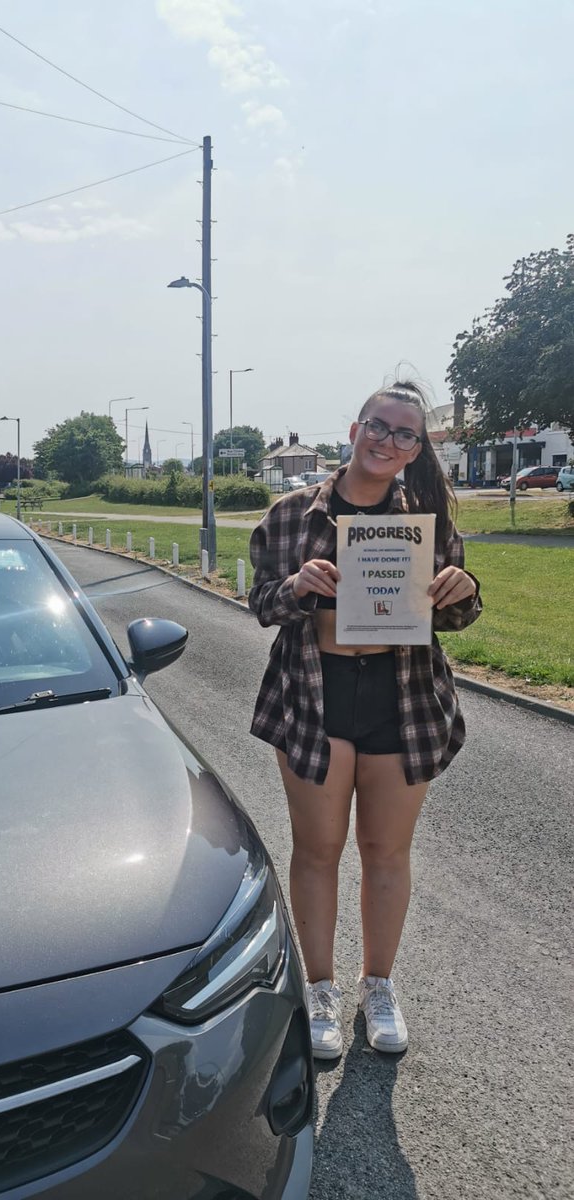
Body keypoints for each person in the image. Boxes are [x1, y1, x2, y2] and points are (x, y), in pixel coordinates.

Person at [248, 381, 482, 1058]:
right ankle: (319, 989)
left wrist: (464, 592)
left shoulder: (425, 522)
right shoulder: (293, 515)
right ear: (355, 431)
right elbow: (261, 602)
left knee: (386, 851)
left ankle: (376, 984)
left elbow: (454, 614)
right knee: (318, 850)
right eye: (379, 427)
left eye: (405, 434)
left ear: (415, 451)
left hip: (400, 696)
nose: (388, 441)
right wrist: (296, 587)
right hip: (313, 696)